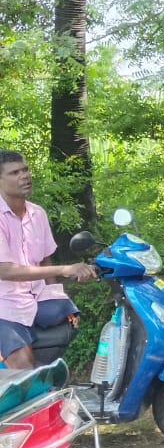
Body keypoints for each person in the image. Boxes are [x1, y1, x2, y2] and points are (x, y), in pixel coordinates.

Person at [0, 150, 96, 370]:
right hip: (4, 306)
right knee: (24, 371)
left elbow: (45, 260)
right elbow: (5, 270)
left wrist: (58, 296)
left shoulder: (37, 213)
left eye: (25, 169)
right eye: (15, 172)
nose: (24, 176)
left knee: (68, 325)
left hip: (34, 299)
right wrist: (67, 269)